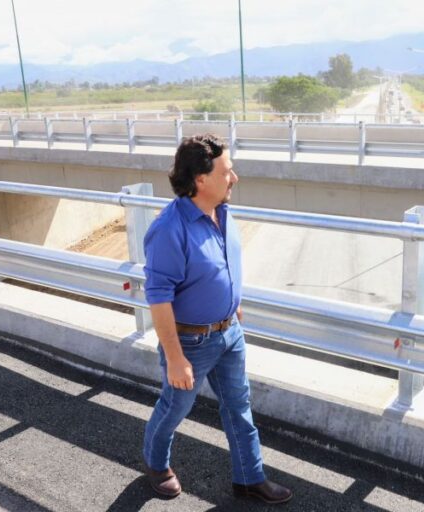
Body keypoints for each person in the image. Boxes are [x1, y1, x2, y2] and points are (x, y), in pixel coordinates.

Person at [141, 134, 292, 504]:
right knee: (175, 408)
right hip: (190, 342)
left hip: (229, 333)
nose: (234, 178)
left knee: (239, 407)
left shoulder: (222, 213)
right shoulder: (169, 229)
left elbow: (223, 264)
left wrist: (231, 303)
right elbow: (159, 298)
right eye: (226, 172)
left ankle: (249, 478)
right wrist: (175, 358)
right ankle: (157, 464)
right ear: (200, 179)